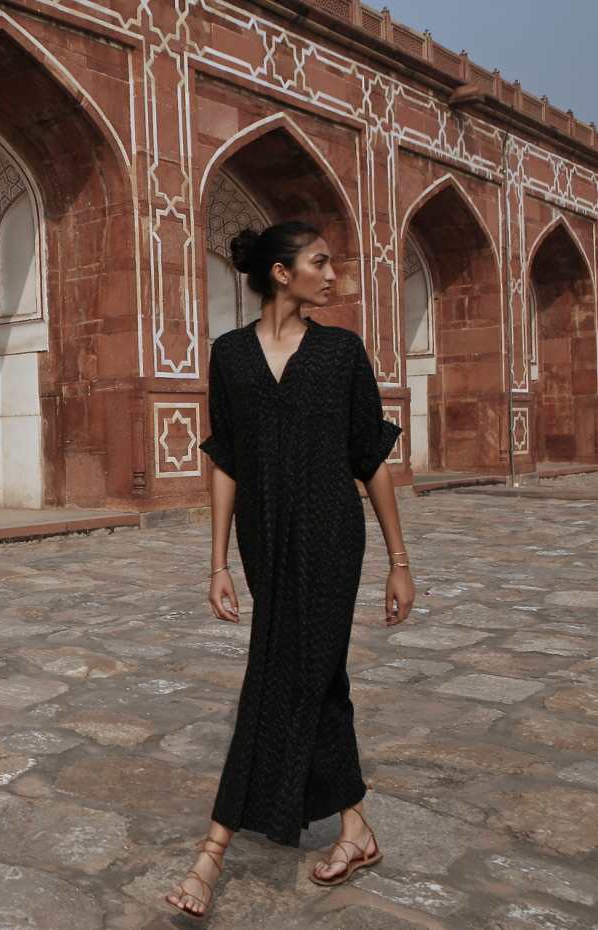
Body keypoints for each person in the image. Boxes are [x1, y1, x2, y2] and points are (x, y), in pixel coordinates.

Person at [166, 220, 415, 918]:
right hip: (264, 538)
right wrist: (217, 562)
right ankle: (356, 828)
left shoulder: (340, 352)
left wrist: (399, 562)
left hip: (332, 536)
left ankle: (210, 854)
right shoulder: (230, 356)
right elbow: (225, 461)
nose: (333, 276)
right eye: (320, 262)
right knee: (317, 676)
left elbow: (370, 459)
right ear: (282, 272)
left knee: (279, 674)